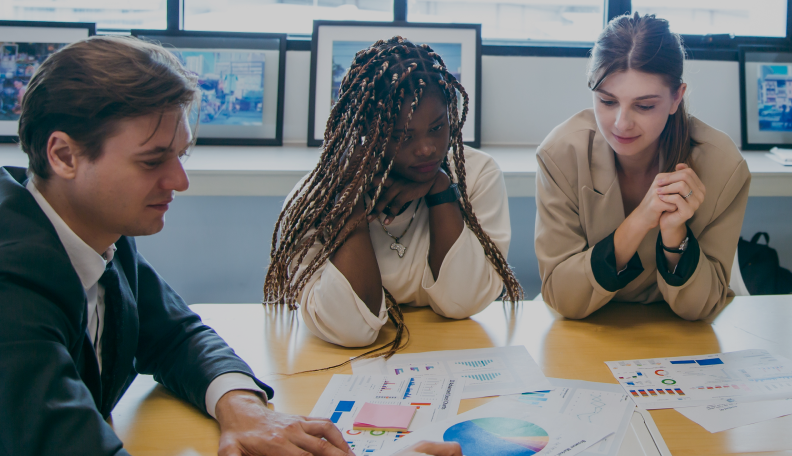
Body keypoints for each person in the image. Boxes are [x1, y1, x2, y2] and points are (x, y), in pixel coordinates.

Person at [0, 35, 461, 456]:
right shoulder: (12, 286)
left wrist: (244, 408)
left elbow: (177, 335)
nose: (179, 181)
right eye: (152, 161)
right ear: (64, 156)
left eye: (180, 155)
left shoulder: (96, 236)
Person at [263, 37, 523, 350]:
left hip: (450, 350)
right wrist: (350, 204)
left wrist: (441, 190)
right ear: (366, 131)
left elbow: (464, 302)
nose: (427, 148)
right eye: (403, 136)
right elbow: (349, 329)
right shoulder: (316, 198)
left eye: (437, 128)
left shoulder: (478, 175)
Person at [534, 13, 751, 321]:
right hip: (586, 329)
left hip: (678, 335)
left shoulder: (722, 165)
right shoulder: (560, 154)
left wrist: (675, 234)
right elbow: (562, 297)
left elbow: (702, 307)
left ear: (676, 98)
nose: (621, 123)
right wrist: (639, 221)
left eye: (645, 105)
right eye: (607, 101)